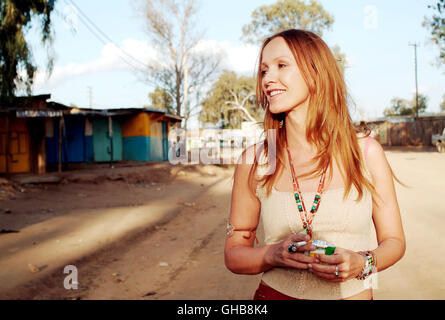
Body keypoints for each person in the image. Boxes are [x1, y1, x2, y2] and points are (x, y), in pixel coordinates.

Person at [224, 29, 406, 300]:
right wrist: (273, 254)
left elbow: (395, 242)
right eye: (264, 71)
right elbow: (234, 253)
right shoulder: (255, 160)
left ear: (316, 72)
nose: (267, 79)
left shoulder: (366, 152)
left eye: (281, 66)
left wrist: (362, 262)